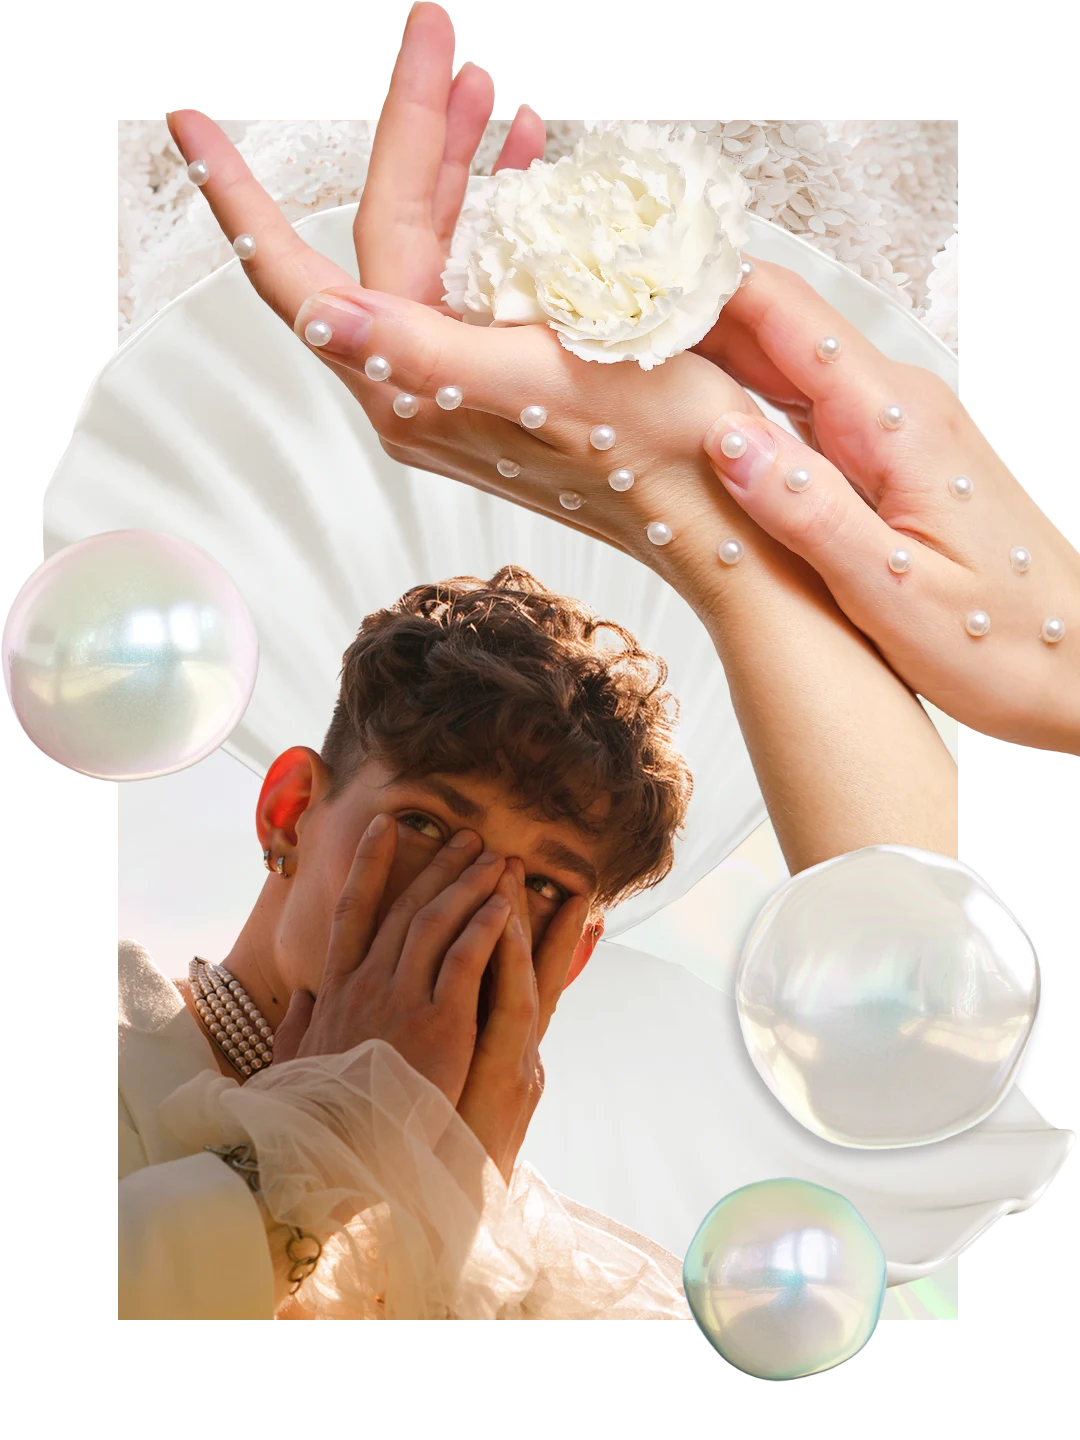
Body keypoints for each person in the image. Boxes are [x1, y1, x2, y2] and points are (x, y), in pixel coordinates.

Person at [118, 2, 979, 1320]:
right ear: (288, 809)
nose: (462, 921)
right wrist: (334, 1133)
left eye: (540, 888)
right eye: (427, 827)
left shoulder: (568, 1282)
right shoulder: (93, 1063)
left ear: (576, 954)